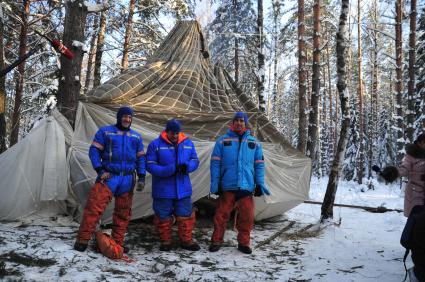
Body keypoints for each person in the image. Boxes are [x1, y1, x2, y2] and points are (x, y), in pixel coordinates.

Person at [74, 106, 146, 252]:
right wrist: (100, 170)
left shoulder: (136, 137)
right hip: (109, 177)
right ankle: (82, 240)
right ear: (119, 117)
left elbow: (141, 158)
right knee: (94, 208)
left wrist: (142, 176)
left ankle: (117, 242)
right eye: (125, 116)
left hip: (127, 179)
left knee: (123, 213)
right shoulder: (105, 132)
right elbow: (94, 151)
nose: (127, 119)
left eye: (130, 117)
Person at [209, 111, 270, 254]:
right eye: (236, 120)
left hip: (246, 186)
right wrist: (215, 184)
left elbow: (259, 165)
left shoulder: (254, 142)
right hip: (227, 186)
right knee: (221, 215)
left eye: (242, 120)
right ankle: (216, 240)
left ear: (245, 123)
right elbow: (215, 164)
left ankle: (244, 243)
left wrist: (259, 184)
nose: (239, 123)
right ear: (232, 123)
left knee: (247, 216)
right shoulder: (222, 141)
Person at [146, 119, 200, 251]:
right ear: (166, 131)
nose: (175, 136)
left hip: (183, 188)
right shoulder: (155, 144)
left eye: (177, 133)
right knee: (163, 217)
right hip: (163, 189)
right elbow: (149, 164)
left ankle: (186, 241)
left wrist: (187, 167)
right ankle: (166, 242)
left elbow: (195, 160)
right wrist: (168, 170)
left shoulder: (187, 143)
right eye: (172, 133)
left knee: (185, 215)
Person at [377, 133, 425, 217]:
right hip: (416, 191)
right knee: (415, 218)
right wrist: (393, 173)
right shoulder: (411, 156)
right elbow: (404, 169)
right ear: (420, 143)